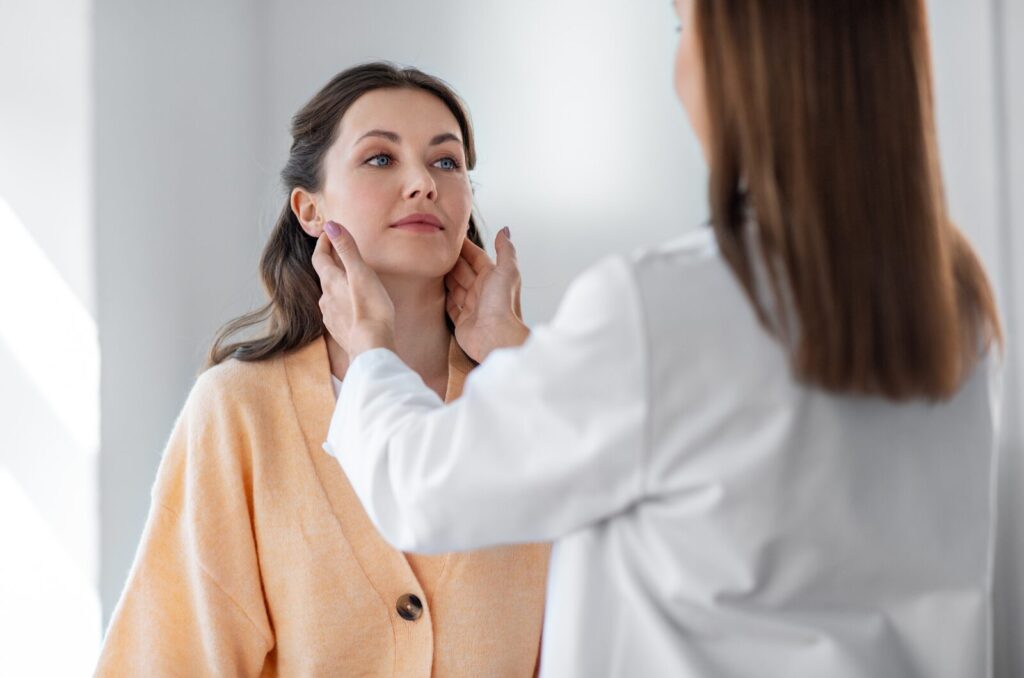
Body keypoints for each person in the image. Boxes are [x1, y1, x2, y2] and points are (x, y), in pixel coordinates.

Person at [315, 1, 1004, 677]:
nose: (678, 69)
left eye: (683, 27)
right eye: (379, 159)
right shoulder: (954, 297)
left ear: (744, 60)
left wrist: (370, 351)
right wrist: (514, 351)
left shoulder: (663, 309)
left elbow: (419, 487)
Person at [96, 62, 549, 677]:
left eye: (446, 162)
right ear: (309, 209)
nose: (423, 183)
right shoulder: (240, 410)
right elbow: (169, 661)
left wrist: (521, 364)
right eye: (380, 159)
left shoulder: (529, 402)